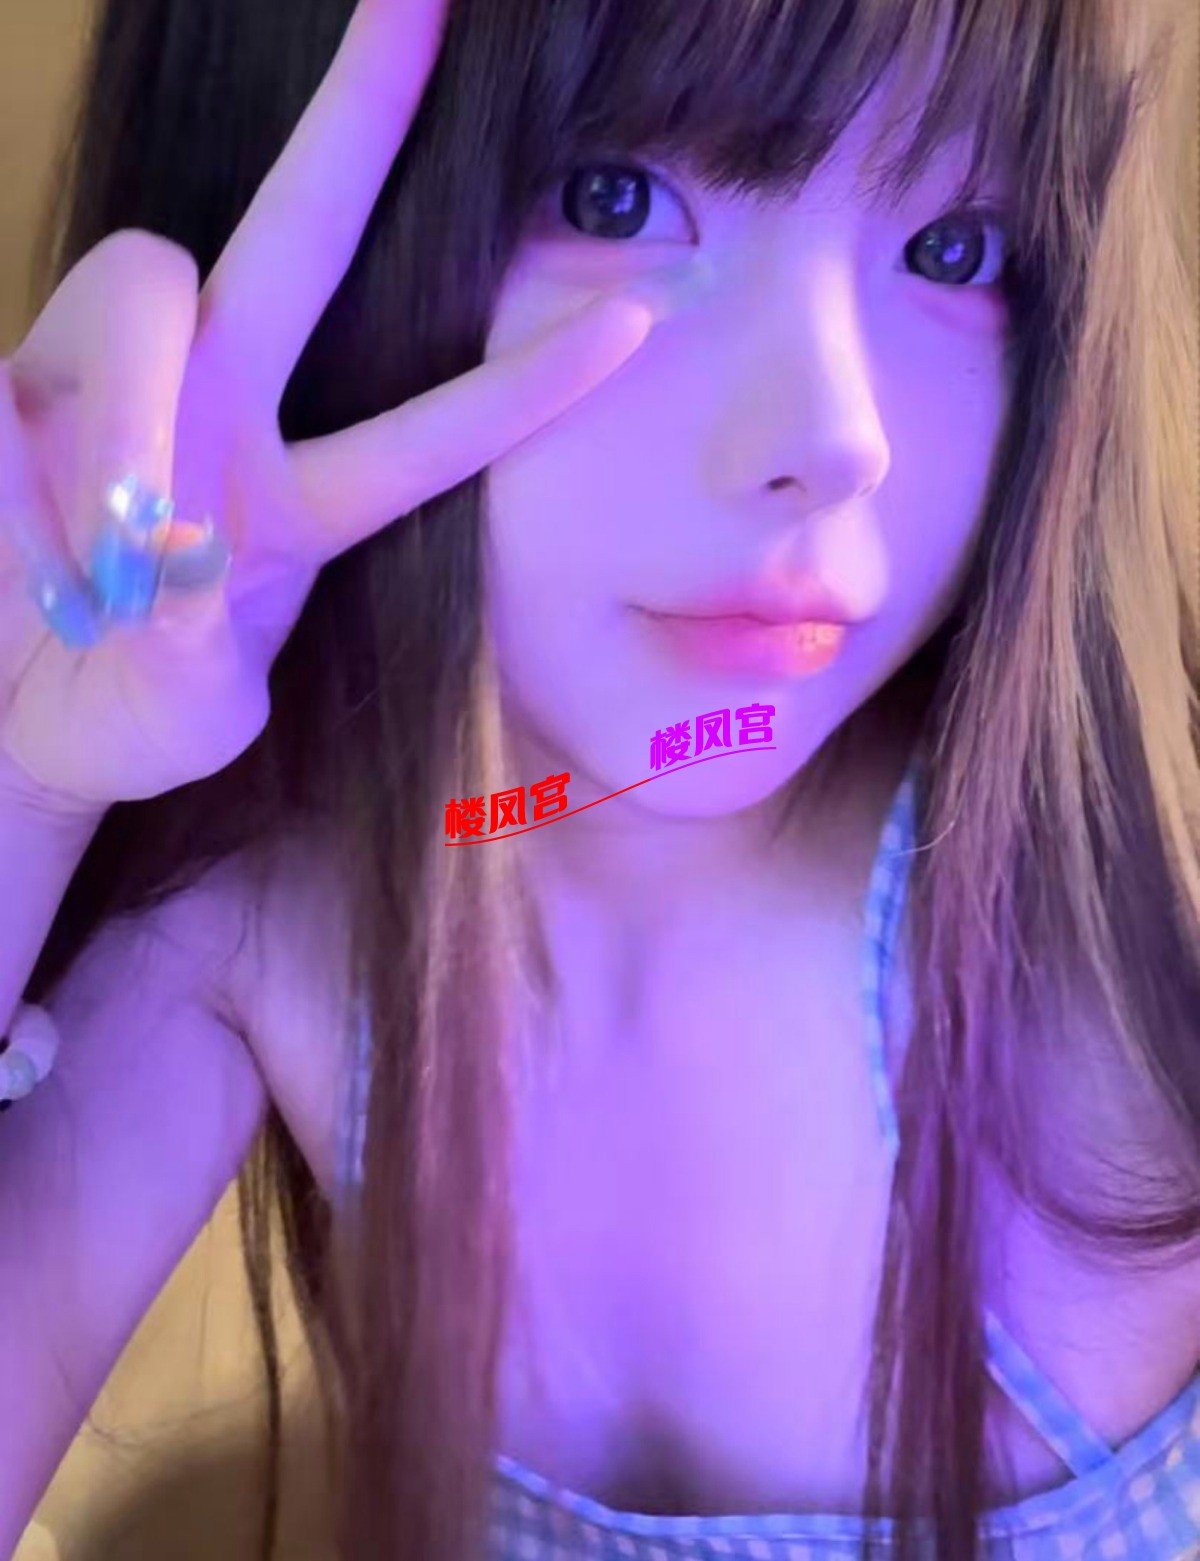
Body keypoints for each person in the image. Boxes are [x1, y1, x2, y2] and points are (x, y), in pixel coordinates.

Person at [1, 0, 1197, 1557]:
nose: (838, 436)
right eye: (617, 199)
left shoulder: (1137, 925)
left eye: (957, 248)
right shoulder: (260, 931)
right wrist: (26, 784)